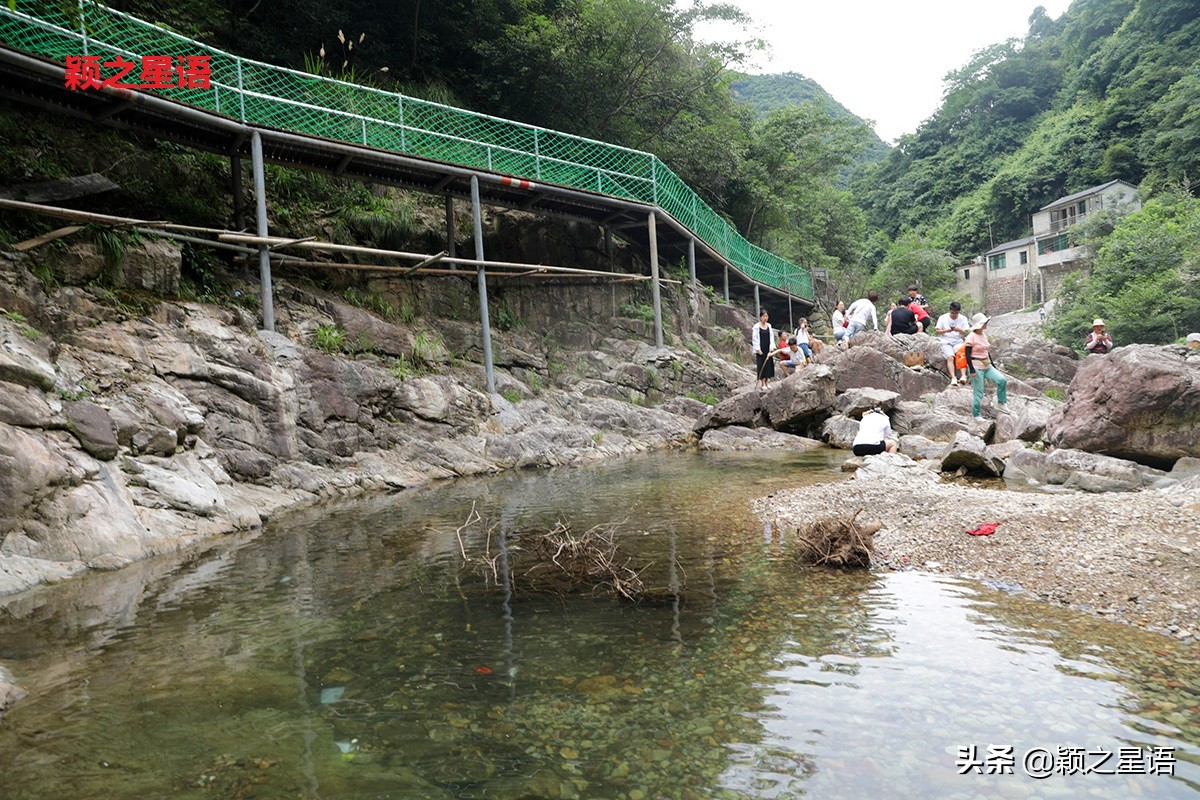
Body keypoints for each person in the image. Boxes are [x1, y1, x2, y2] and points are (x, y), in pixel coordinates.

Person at [964, 313, 1008, 422]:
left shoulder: (983, 335)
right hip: (976, 366)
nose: (986, 324)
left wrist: (992, 365)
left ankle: (1001, 403)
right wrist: (972, 370)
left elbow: (986, 352)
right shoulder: (971, 337)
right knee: (978, 392)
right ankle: (976, 415)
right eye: (985, 322)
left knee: (1002, 380)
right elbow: (967, 355)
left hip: (986, 365)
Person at [935, 301, 971, 385]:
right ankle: (953, 377)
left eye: (956, 313)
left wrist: (959, 330)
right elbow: (937, 331)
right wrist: (946, 330)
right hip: (946, 340)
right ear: (949, 311)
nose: (954, 315)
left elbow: (966, 332)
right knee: (950, 357)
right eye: (952, 313)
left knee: (961, 355)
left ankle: (963, 376)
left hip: (958, 340)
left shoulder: (963, 318)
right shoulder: (943, 317)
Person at [751, 310, 775, 388]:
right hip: (761, 348)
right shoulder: (756, 327)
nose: (765, 318)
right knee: (761, 365)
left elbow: (771, 337)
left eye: (766, 316)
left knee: (768, 364)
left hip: (768, 347)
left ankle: (767, 381)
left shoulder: (769, 326)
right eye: (764, 316)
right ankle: (763, 383)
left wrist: (771, 348)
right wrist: (758, 349)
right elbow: (754, 338)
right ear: (760, 317)